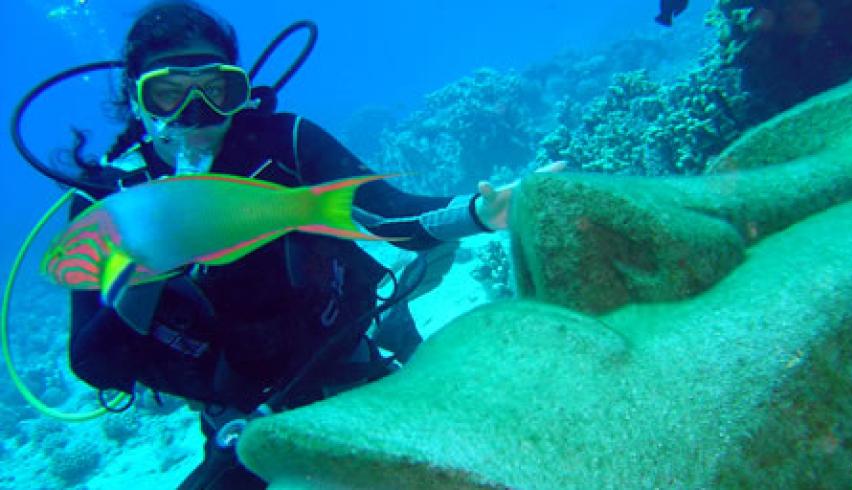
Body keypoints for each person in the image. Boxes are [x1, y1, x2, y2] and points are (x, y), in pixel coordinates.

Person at [64, 1, 556, 488]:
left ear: (240, 87)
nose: (199, 114)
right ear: (135, 99)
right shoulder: (109, 202)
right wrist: (148, 265)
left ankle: (392, 330)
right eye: (169, 95)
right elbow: (97, 363)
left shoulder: (283, 144)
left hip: (339, 359)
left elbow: (387, 214)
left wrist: (482, 212)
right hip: (237, 411)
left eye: (218, 90)